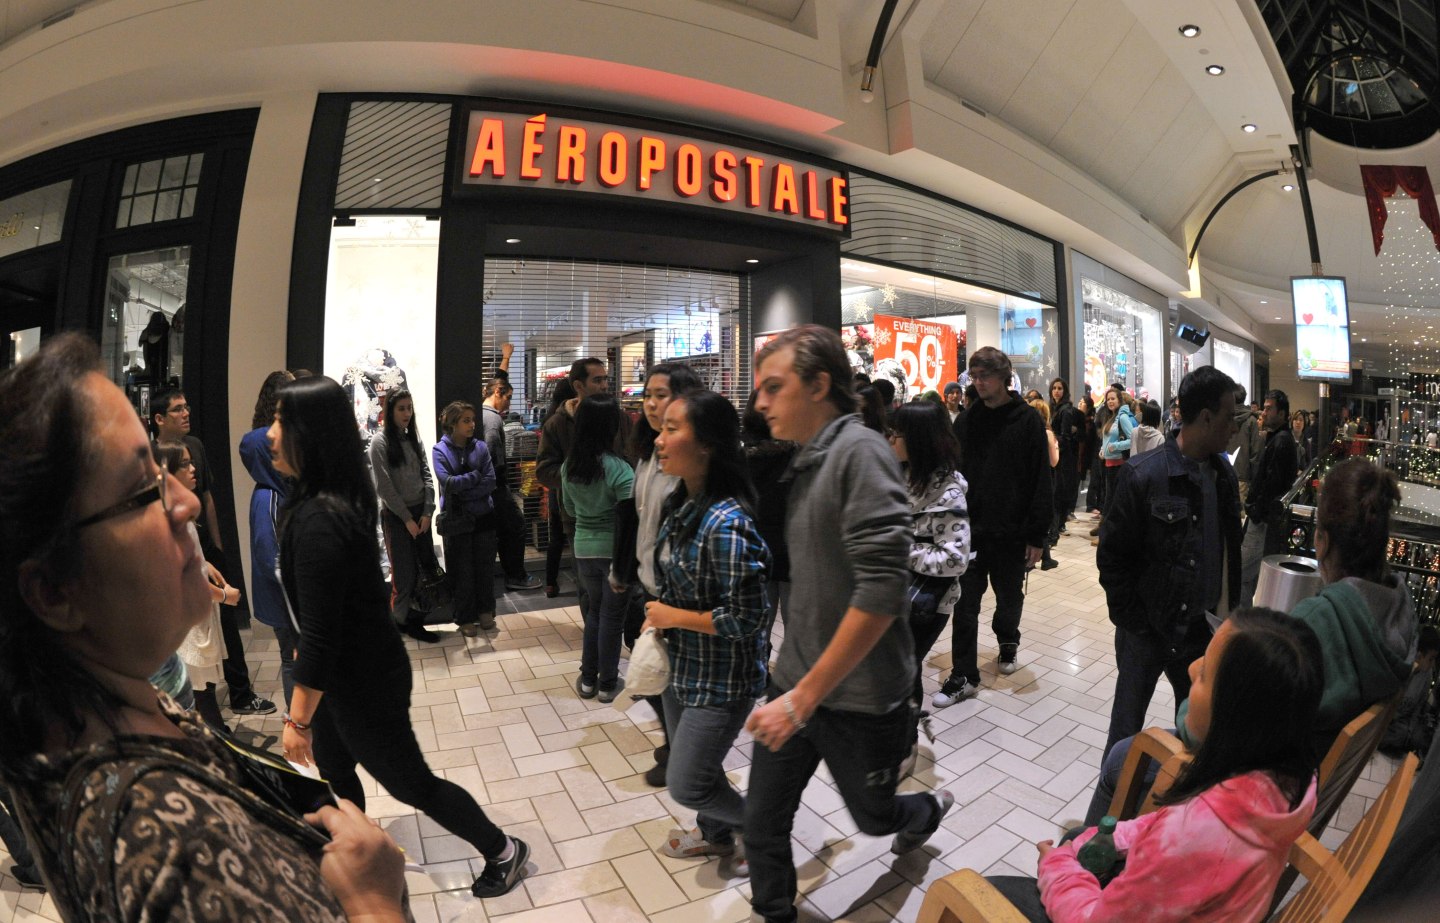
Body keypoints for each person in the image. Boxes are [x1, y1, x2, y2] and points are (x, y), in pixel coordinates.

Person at [0, 334, 409, 919]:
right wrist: (374, 902)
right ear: (53, 592)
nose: (185, 502)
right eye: (143, 490)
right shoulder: (162, 847)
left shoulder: (115, 710)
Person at [271, 375, 530, 899]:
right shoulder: (316, 501)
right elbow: (320, 620)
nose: (269, 434)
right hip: (342, 677)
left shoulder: (321, 518)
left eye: (279, 422)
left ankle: (504, 850)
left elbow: (322, 634)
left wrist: (296, 720)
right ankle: (357, 852)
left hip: (365, 681)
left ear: (308, 434)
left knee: (411, 783)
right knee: (337, 767)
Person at [744, 325, 952, 923]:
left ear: (818, 385)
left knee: (874, 818)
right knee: (762, 822)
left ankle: (926, 811)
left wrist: (801, 699)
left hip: (860, 697)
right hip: (798, 681)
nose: (760, 402)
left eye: (773, 387)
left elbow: (881, 593)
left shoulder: (860, 453)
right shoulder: (807, 458)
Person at [1084, 455, 1415, 825]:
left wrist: (1190, 707)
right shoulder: (1398, 612)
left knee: (1122, 759)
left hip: (1248, 790)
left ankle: (1088, 851)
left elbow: (1206, 730)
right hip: (1293, 787)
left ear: (1321, 540)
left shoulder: (1318, 625)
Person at [988, 607, 1322, 923]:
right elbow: (1162, 830)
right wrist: (1112, 839)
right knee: (1079, 837)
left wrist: (1056, 869)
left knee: (989, 890)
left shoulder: (1193, 833)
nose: (1192, 668)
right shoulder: (1287, 780)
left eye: (1206, 673)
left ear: (1234, 717)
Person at [642, 390, 771, 867]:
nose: (659, 440)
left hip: (721, 679)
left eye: (672, 429)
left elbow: (749, 617)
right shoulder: (685, 501)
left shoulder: (726, 523)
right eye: (661, 428)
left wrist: (672, 616)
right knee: (700, 766)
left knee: (687, 782)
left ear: (708, 445)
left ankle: (763, 828)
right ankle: (716, 835)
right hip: (683, 666)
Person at [1096, 366, 1241, 760]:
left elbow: (1228, 551)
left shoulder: (1223, 476)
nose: (1234, 427)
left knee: (1198, 735)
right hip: (1146, 630)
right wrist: (1135, 621)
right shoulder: (1144, 474)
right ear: (1206, 417)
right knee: (1124, 734)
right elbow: (1111, 557)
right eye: (1229, 417)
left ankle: (1177, 799)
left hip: (1199, 630)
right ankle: (1110, 800)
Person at [934, 346, 1051, 706]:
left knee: (1009, 597)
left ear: (1004, 377)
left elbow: (1040, 478)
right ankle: (963, 675)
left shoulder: (1027, 420)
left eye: (985, 376)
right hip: (971, 530)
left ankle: (1008, 639)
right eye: (974, 376)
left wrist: (1037, 536)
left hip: (1012, 531)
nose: (978, 382)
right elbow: (953, 473)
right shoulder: (967, 420)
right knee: (964, 604)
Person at [152, 386, 274, 717]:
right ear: (159, 418)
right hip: (177, 556)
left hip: (202, 547)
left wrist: (216, 548)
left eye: (187, 407)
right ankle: (200, 709)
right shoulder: (150, 457)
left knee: (223, 628)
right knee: (189, 639)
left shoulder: (195, 446)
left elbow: (206, 496)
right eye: (178, 409)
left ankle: (238, 693)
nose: (186, 413)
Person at [627, 361, 702, 787]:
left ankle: (684, 756)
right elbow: (643, 520)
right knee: (653, 673)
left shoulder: (691, 459)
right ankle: (678, 747)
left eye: (661, 395)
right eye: (647, 395)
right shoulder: (650, 452)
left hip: (678, 593)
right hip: (651, 584)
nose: (651, 404)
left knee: (672, 681)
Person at [887, 400, 970, 770]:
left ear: (918, 440)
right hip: (896, 594)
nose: (890, 440)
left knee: (904, 670)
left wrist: (900, 548)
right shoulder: (904, 476)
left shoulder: (948, 493)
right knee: (897, 669)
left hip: (927, 602)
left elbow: (955, 558)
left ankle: (906, 747)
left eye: (898, 434)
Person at [155, 440, 239, 732]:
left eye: (192, 462)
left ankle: (217, 738)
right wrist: (225, 595)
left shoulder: (174, 510)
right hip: (187, 618)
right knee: (198, 694)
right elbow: (184, 577)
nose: (193, 469)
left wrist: (206, 564)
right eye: (184, 464)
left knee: (202, 691)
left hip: (190, 615)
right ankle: (218, 743)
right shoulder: (171, 517)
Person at [562, 393, 638, 703]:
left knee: (594, 611)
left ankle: (587, 680)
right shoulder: (620, 469)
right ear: (611, 427)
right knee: (612, 617)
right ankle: (607, 683)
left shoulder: (569, 467)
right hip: (614, 552)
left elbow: (569, 508)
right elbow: (630, 518)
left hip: (583, 548)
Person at [537, 357, 624, 611]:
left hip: (618, 516)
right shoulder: (557, 424)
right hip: (579, 519)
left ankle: (612, 632)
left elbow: (630, 457)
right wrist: (579, 475)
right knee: (589, 591)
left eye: (606, 379)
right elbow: (544, 471)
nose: (604, 385)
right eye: (597, 380)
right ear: (578, 385)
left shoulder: (618, 417)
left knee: (623, 590)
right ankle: (595, 633)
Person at [239, 370, 298, 704]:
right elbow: (270, 557)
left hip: (289, 599)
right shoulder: (269, 498)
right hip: (287, 601)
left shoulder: (277, 493)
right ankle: (300, 723)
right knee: (292, 660)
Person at [370, 388, 443, 642]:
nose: (407, 413)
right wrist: (407, 519)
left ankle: (414, 621)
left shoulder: (414, 439)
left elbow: (427, 477)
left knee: (425, 569)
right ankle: (401, 622)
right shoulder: (380, 443)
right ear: (389, 411)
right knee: (404, 574)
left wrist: (427, 512)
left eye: (409, 408)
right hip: (397, 517)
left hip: (420, 515)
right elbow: (384, 488)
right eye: (401, 408)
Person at [431, 400, 499, 635]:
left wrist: (464, 492)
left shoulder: (481, 447)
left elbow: (491, 481)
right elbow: (447, 483)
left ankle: (485, 611)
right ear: (453, 424)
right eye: (466, 420)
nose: (472, 425)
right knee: (462, 571)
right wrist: (474, 477)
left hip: (483, 516)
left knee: (484, 567)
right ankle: (465, 617)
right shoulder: (440, 450)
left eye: (472, 420)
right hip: (458, 519)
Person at [480, 375, 543, 593]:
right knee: (515, 527)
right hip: (495, 485)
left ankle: (511, 574)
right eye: (508, 397)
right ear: (497, 392)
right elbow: (490, 450)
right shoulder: (492, 419)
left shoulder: (482, 415)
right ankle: (516, 576)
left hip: (489, 486)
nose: (508, 403)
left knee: (504, 529)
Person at [1239, 389, 1299, 608]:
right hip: (1264, 517)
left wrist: (1255, 510)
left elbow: (1272, 483)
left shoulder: (1281, 441)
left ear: (1282, 413)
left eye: (1269, 408)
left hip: (1262, 519)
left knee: (1242, 574)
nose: (1264, 412)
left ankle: (1242, 619)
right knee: (1250, 575)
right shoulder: (1279, 438)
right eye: (1263, 408)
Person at [542, 377, 576, 597]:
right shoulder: (566, 421)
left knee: (556, 537)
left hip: (557, 488)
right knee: (573, 536)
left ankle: (550, 583)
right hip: (570, 487)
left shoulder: (549, 420)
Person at [1093, 386, 1136, 539]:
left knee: (1113, 500)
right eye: (1108, 399)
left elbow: (1132, 440)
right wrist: (1103, 450)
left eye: (1113, 399)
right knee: (1109, 498)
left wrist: (1115, 446)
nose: (1110, 401)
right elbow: (1108, 439)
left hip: (1119, 464)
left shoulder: (1122, 417)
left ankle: (1109, 532)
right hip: (1109, 463)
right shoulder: (1111, 416)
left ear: (1119, 400)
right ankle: (1108, 531)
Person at [1029, 397, 1061, 571]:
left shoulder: (1025, 432)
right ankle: (1045, 558)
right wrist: (1056, 446)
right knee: (1043, 515)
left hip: (1029, 478)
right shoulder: (1047, 433)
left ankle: (1042, 558)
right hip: (1046, 476)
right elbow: (1054, 461)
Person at [1048, 379, 1081, 535]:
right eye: (1054, 388)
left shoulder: (1066, 410)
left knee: (1059, 491)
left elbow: (1065, 436)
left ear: (1065, 391)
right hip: (1054, 453)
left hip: (1061, 456)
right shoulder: (1052, 407)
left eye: (1060, 388)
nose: (1056, 391)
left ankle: (1059, 525)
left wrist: (1051, 441)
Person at [1226, 383, 1264, 506]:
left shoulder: (1224, 418)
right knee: (1240, 514)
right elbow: (1256, 453)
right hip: (1243, 478)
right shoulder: (1251, 421)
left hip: (1224, 476)